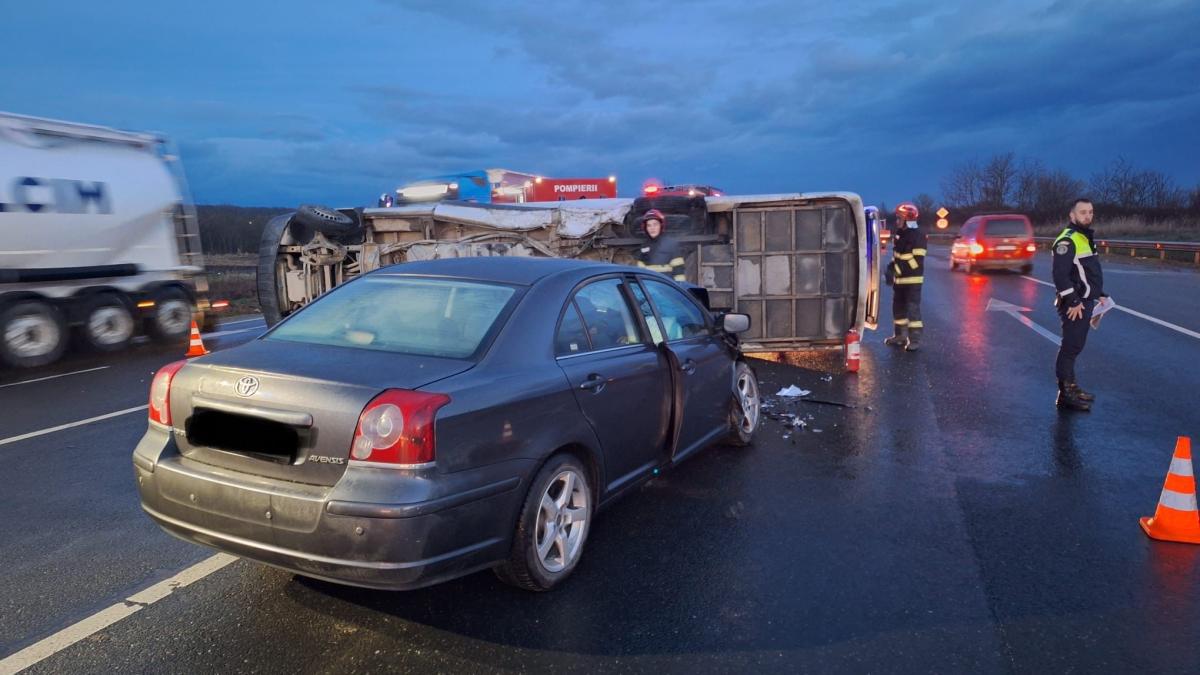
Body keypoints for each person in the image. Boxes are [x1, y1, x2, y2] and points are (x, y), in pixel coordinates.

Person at [1052, 198, 1105, 411]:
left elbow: (1086, 273)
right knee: (1070, 346)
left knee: (1075, 345)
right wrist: (1073, 300)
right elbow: (1060, 275)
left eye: (1090, 212)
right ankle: (1065, 394)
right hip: (1075, 303)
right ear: (1072, 215)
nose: (1087, 216)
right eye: (1083, 212)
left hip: (1084, 300)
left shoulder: (1084, 237)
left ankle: (1072, 387)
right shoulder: (1067, 240)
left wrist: (1100, 294)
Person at [884, 202, 927, 351]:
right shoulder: (900, 234)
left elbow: (916, 262)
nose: (897, 221)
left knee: (912, 311)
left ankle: (914, 340)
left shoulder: (918, 235)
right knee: (898, 310)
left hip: (912, 281)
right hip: (900, 281)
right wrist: (890, 269)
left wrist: (897, 269)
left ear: (907, 219)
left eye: (899, 218)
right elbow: (897, 256)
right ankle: (900, 336)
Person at [635, 209, 687, 281]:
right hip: (650, 285)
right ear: (645, 228)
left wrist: (681, 285)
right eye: (649, 225)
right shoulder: (644, 246)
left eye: (655, 224)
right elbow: (640, 271)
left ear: (661, 225)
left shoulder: (671, 244)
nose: (652, 228)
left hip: (666, 285)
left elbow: (679, 271)